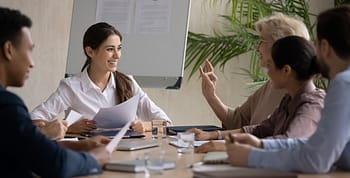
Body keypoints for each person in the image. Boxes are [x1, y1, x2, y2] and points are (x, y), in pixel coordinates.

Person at [225, 5, 350, 173]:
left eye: (316, 45)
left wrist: (252, 157)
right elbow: (317, 144)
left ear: (325, 47)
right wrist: (262, 145)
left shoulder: (343, 84)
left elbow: (316, 160)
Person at [0, 6, 111, 177]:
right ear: (8, 50)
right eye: (29, 50)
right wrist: (94, 159)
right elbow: (57, 164)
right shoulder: (7, 106)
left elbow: (26, 145)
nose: (32, 63)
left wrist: (81, 145)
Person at [30, 22, 172, 135]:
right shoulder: (72, 87)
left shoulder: (128, 83)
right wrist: (69, 127)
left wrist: (146, 126)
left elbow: (167, 124)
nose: (117, 55)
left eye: (119, 48)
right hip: (89, 154)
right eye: (110, 49)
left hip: (127, 153)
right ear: (90, 51)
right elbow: (33, 121)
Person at [192, 35, 325, 153]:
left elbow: (288, 143)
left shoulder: (312, 105)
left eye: (270, 65)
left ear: (286, 70)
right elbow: (260, 130)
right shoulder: (289, 99)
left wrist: (227, 146)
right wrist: (212, 136)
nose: (267, 72)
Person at [200, 13, 311, 130]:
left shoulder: (302, 97)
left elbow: (269, 136)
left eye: (262, 41)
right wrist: (211, 96)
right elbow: (238, 120)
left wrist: (216, 136)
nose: (257, 48)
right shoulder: (271, 85)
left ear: (279, 46)